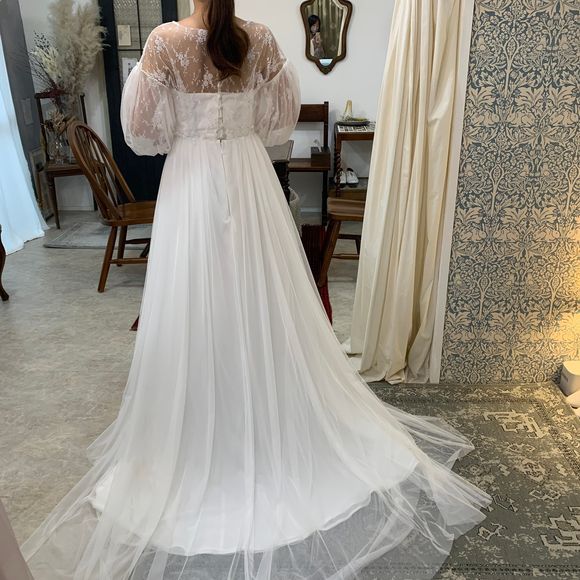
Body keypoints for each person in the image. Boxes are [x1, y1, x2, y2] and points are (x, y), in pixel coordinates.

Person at [22, 0, 491, 578]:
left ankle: (202, 431)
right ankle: (264, 417)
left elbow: (142, 134)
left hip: (192, 184)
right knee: (261, 297)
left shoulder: (165, 42)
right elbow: (277, 126)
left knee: (196, 304)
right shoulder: (261, 38)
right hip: (250, 182)